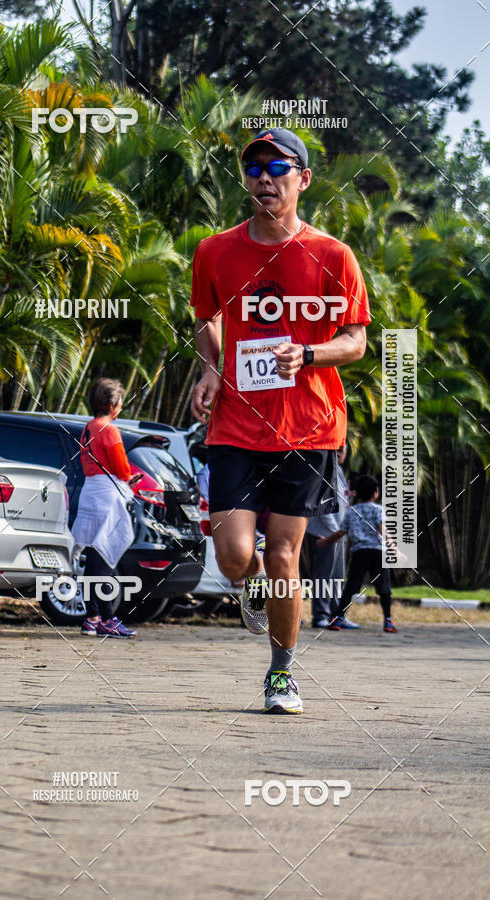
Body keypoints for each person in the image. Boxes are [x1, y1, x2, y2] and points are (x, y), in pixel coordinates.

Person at [190, 127, 370, 714]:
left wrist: (310, 354)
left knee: (288, 556)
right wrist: (211, 369)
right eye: (253, 169)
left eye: (278, 167)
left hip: (309, 425)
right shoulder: (215, 250)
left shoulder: (332, 255)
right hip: (236, 424)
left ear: (303, 179)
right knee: (235, 557)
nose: (264, 177)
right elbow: (205, 320)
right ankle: (255, 583)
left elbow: (355, 340)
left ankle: (281, 674)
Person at [72, 377, 142, 638]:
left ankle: (92, 617)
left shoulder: (88, 427)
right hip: (107, 496)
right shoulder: (110, 429)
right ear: (113, 404)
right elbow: (121, 467)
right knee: (105, 558)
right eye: (120, 401)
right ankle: (108, 619)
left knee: (93, 557)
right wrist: (129, 477)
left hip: (92, 492)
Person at [317, 474, 397, 633]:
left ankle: (338, 618)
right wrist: (392, 546)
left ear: (357, 493)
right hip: (378, 553)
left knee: (351, 586)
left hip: (359, 552)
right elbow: (382, 528)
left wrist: (325, 541)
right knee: (384, 587)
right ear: (376, 492)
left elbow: (341, 532)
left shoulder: (351, 511)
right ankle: (388, 621)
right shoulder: (378, 509)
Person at [305, 445, 354, 628]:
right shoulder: (323, 470)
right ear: (338, 452)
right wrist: (334, 531)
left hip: (338, 532)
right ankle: (321, 615)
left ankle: (337, 614)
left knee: (338, 576)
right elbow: (321, 503)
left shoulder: (338, 470)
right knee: (323, 577)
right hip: (325, 532)